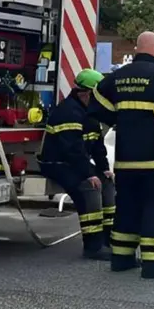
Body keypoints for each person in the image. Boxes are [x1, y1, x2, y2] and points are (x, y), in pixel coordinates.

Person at [88, 31, 154, 279]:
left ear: (136, 49)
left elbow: (96, 102)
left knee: (127, 206)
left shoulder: (117, 78)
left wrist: (117, 118)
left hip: (126, 160)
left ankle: (122, 257)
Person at [38, 68, 115, 261]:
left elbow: (97, 145)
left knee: (107, 183)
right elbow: (73, 150)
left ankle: (109, 240)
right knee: (89, 187)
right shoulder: (68, 112)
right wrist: (89, 174)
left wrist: (104, 168)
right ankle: (93, 246)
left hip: (73, 162)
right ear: (87, 93)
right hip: (56, 163)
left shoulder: (89, 111)